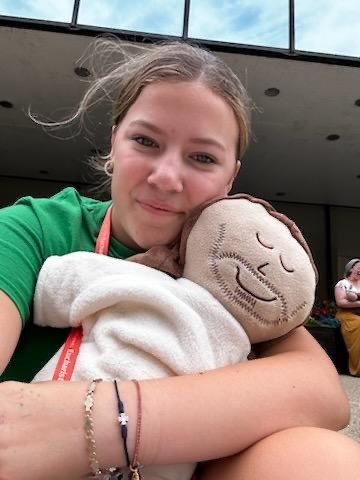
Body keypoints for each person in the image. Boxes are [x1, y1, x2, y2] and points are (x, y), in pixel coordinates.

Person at [0, 38, 359, 480]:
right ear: (114, 143)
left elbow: (321, 392)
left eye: (203, 157)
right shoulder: (37, 227)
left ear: (231, 177)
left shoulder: (235, 265)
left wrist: (94, 422)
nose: (167, 178)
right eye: (146, 140)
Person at [334, 258, 360, 376]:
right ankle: (357, 369)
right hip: (347, 315)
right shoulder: (342, 284)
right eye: (359, 267)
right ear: (351, 268)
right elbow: (341, 302)